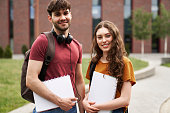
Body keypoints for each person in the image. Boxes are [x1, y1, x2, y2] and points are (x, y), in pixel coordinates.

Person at [26, 0, 85, 113]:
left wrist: (81, 110)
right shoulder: (42, 41)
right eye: (57, 14)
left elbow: (79, 80)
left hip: (71, 108)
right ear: (50, 18)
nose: (63, 17)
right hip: (47, 108)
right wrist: (59, 101)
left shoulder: (77, 46)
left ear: (70, 15)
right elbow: (31, 80)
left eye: (65, 13)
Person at [82, 20, 136, 113]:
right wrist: (85, 101)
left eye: (108, 36)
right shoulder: (94, 62)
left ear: (114, 37)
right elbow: (93, 90)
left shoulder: (125, 63)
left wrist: (98, 106)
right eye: (99, 37)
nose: (104, 40)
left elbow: (125, 99)